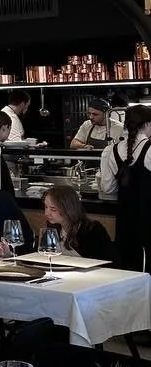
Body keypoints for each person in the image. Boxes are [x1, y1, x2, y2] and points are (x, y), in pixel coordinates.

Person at [99, 104, 151, 273]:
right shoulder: (149, 148)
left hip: (124, 221)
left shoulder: (112, 150)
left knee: (127, 269)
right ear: (147, 124)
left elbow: (107, 188)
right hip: (147, 221)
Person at [42, 185, 114, 260]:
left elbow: (108, 262)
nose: (46, 213)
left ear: (68, 208)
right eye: (46, 207)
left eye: (53, 209)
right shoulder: (52, 227)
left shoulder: (92, 230)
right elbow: (46, 256)